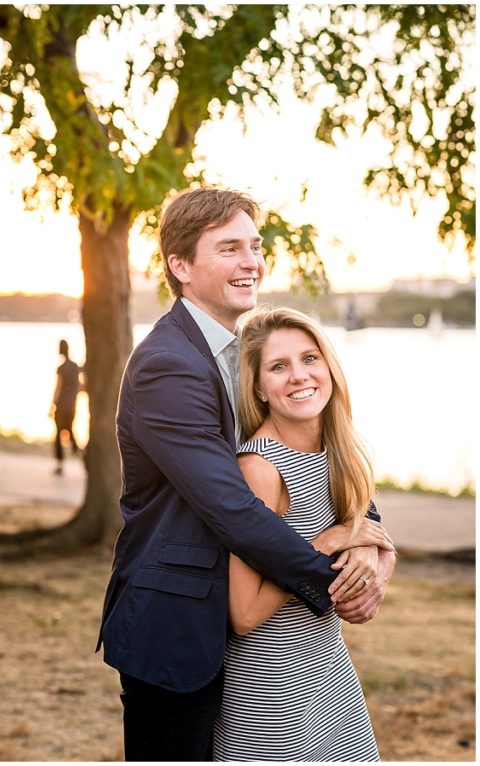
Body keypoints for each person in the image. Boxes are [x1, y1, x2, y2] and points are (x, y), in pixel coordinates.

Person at [97, 187, 396, 761]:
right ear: (180, 266)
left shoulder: (244, 352)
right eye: (229, 248)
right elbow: (230, 505)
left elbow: (319, 447)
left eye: (254, 247)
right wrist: (331, 566)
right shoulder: (169, 364)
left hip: (255, 640)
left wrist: (369, 548)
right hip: (178, 628)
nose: (251, 262)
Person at [213, 305, 382, 760]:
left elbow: (372, 537)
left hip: (330, 679)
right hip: (271, 697)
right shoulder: (260, 471)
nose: (299, 376)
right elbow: (244, 613)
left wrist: (375, 571)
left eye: (309, 358)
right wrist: (323, 545)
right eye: (278, 366)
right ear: (259, 388)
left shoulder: (340, 453)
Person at [51, 338, 82, 475]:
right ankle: (82, 457)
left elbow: (58, 388)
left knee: (58, 434)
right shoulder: (76, 367)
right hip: (72, 405)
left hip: (62, 405)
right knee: (70, 432)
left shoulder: (61, 368)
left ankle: (60, 464)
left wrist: (52, 404)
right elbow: (80, 386)